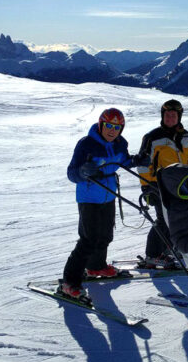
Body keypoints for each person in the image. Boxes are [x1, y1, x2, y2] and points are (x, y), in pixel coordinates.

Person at [60, 108, 145, 299]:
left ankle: (96, 267)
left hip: (109, 194)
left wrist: (136, 160)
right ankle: (69, 282)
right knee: (88, 239)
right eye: (108, 125)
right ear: (101, 124)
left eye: (117, 127)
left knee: (105, 235)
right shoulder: (86, 144)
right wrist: (83, 171)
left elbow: (123, 161)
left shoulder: (120, 143)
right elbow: (71, 173)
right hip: (89, 196)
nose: (112, 130)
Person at [137, 99, 188, 267]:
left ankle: (169, 248)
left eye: (173, 115)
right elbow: (143, 165)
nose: (170, 118)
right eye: (167, 115)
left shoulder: (187, 136)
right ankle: (152, 254)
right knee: (163, 220)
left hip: (183, 185)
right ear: (162, 116)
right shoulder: (153, 137)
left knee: (181, 219)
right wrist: (147, 188)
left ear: (179, 117)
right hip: (159, 186)